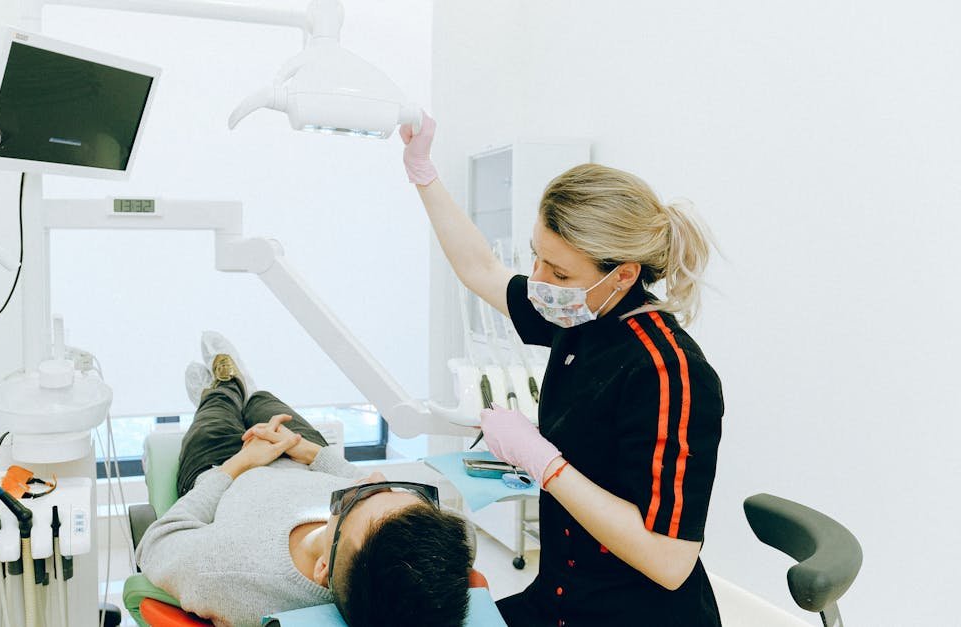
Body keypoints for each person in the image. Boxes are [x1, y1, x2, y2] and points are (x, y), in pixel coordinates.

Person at [400, 114, 725, 626]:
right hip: (560, 598)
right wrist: (423, 173)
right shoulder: (580, 313)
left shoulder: (669, 372)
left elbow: (669, 561)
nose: (539, 281)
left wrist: (543, 462)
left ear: (623, 275)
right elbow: (479, 269)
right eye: (537, 258)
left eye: (559, 271)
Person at [135, 332, 475, 627]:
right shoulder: (416, 562)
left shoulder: (227, 572)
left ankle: (224, 385)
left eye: (359, 496)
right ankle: (248, 390)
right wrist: (312, 454)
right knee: (266, 402)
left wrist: (242, 461)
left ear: (323, 568)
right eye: (397, 490)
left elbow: (155, 546)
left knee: (217, 410)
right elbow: (464, 533)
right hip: (302, 457)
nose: (373, 475)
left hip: (223, 467)